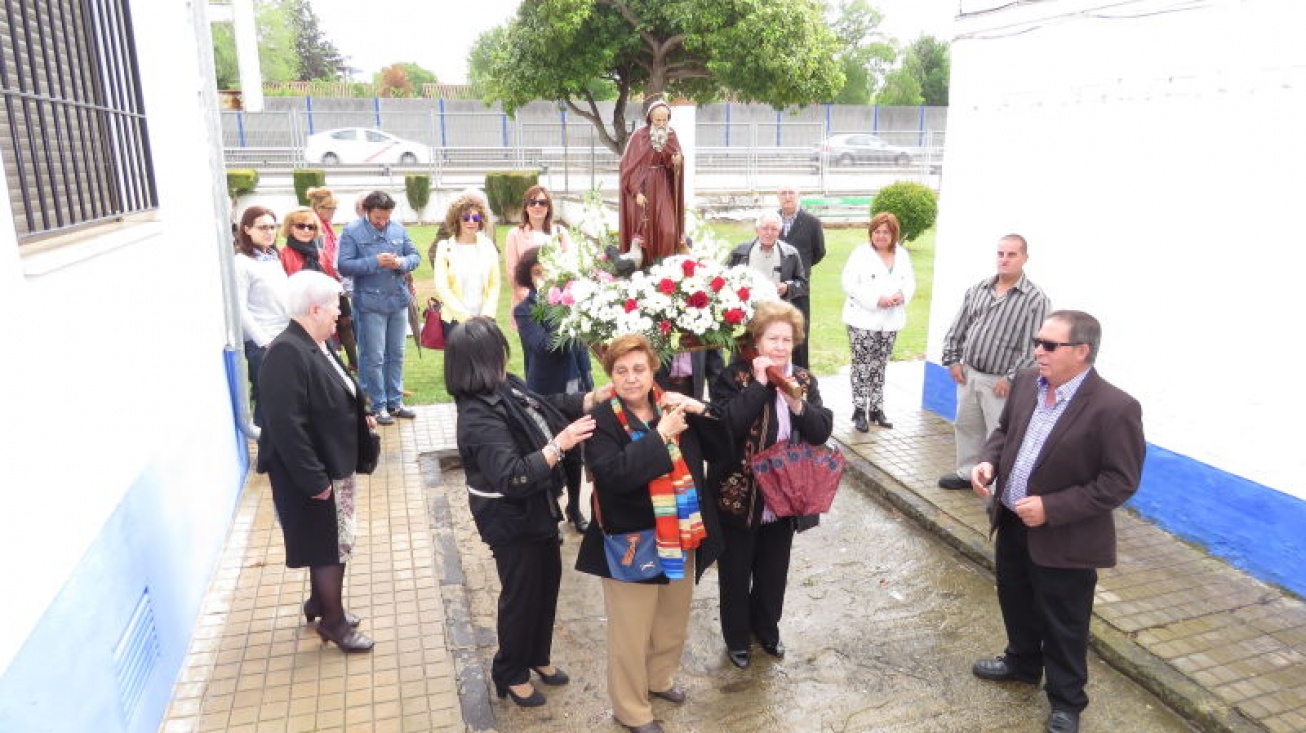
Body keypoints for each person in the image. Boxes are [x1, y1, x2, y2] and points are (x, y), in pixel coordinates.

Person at [968, 310, 1145, 733]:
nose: (1037, 351)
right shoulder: (1028, 382)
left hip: (1067, 538)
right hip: (1010, 520)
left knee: (1065, 621)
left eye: (1049, 345)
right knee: (1015, 598)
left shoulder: (1115, 407)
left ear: (1082, 351)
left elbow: (1120, 482)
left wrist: (1053, 508)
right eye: (1037, 341)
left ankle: (1067, 700)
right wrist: (988, 464)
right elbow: (1004, 432)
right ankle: (1022, 662)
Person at [446, 317, 602, 708]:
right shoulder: (477, 416)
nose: (505, 356)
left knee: (546, 585)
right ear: (482, 360)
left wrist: (590, 399)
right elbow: (512, 476)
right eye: (498, 350)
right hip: (511, 520)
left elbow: (544, 408)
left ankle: (538, 656)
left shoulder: (505, 385)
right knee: (521, 595)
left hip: (537, 509)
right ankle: (510, 672)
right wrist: (560, 445)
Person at [577, 333, 725, 733]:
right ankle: (631, 710)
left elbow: (721, 447)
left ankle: (659, 680)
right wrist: (660, 434)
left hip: (681, 532)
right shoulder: (603, 420)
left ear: (652, 370)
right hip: (632, 542)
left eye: (638, 369)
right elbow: (613, 476)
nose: (630, 378)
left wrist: (699, 407)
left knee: (672, 617)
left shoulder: (672, 404)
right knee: (630, 631)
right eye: (621, 371)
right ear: (610, 376)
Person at [707, 300, 833, 669]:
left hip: (785, 494)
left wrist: (796, 403)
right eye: (772, 339)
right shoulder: (735, 377)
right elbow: (728, 425)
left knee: (773, 569)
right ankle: (736, 637)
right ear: (757, 341)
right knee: (735, 570)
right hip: (739, 492)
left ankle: (768, 629)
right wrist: (762, 385)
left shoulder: (804, 380)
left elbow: (821, 429)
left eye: (787, 340)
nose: (780, 347)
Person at [257, 271, 376, 653]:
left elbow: (331, 393)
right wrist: (314, 481)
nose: (339, 315)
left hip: (328, 464)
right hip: (310, 474)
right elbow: (286, 425)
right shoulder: (286, 353)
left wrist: (360, 415)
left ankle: (319, 602)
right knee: (329, 547)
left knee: (328, 542)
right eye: (334, 308)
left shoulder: (314, 344)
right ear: (313, 309)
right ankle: (334, 622)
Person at [937, 234, 1051, 490]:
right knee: (966, 426)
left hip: (1000, 382)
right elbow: (959, 326)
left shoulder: (1035, 300)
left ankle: (998, 484)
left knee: (998, 434)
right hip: (969, 374)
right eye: (1001, 254)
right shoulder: (979, 289)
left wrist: (1011, 378)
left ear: (1025, 258)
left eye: (1012, 255)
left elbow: (1033, 346)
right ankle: (968, 473)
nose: (1004, 259)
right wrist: (953, 360)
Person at [512, 247, 594, 533]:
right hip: (543, 390)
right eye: (537, 273)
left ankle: (574, 506)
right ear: (529, 276)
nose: (543, 278)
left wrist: (588, 382)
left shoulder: (570, 306)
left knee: (575, 452)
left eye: (548, 272)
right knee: (548, 448)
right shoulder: (524, 311)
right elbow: (544, 346)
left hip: (573, 385)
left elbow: (581, 347)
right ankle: (553, 511)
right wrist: (562, 313)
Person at [337, 191, 421, 426]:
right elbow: (343, 265)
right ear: (366, 211)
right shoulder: (352, 231)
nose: (382, 222)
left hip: (398, 301)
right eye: (377, 218)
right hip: (370, 304)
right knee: (373, 357)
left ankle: (395, 402)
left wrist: (401, 262)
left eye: (386, 217)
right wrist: (375, 262)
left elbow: (415, 255)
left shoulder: (397, 228)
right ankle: (377, 405)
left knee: (397, 354)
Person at [840, 212, 916, 431]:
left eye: (886, 232)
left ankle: (876, 408)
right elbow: (849, 283)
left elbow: (909, 281)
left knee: (880, 366)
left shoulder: (901, 254)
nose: (881, 236)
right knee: (862, 366)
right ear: (871, 233)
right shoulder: (860, 254)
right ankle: (859, 410)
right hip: (863, 320)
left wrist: (902, 295)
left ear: (894, 235)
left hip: (890, 321)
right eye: (877, 232)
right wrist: (875, 300)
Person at [234, 205, 289, 429]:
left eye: (272, 227)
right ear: (247, 229)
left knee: (286, 399)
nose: (269, 232)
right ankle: (266, 456)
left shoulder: (272, 257)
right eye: (262, 227)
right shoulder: (242, 263)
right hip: (263, 343)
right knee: (267, 400)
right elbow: (240, 307)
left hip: (284, 335)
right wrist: (264, 341)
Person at [618, 98, 684, 267]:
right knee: (644, 233)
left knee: (668, 230)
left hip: (662, 185)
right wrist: (635, 192)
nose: (661, 123)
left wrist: (676, 161)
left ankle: (665, 269)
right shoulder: (639, 136)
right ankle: (646, 270)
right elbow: (629, 166)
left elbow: (673, 159)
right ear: (650, 119)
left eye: (664, 119)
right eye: (657, 120)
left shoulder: (671, 134)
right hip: (643, 185)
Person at [433, 194, 501, 335]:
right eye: (466, 217)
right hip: (455, 321)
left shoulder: (488, 246)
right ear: (457, 220)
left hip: (485, 320)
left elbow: (495, 283)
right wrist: (465, 316)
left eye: (475, 218)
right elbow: (442, 287)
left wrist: (486, 314)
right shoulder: (444, 247)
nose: (471, 222)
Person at [307, 186, 358, 373]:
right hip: (322, 283)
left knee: (345, 321)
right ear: (319, 208)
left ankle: (354, 363)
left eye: (334, 209)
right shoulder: (313, 226)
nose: (333, 213)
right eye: (330, 209)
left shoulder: (327, 226)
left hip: (335, 280)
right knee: (326, 325)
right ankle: (330, 365)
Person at [776, 184, 825, 368]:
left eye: (791, 193)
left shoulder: (812, 223)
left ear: (798, 196)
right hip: (774, 289)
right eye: (783, 192)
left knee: (799, 337)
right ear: (778, 196)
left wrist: (801, 269)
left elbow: (819, 252)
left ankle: (802, 383)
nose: (787, 197)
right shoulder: (771, 221)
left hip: (799, 290)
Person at [505, 184, 571, 311]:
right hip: (527, 304)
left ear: (548, 207)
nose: (537, 206)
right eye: (532, 202)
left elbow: (569, 267)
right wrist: (529, 299)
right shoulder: (514, 234)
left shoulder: (560, 232)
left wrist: (558, 298)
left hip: (557, 305)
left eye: (542, 203)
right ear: (526, 207)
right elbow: (512, 272)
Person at [727, 211, 808, 305]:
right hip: (747, 309)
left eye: (774, 229)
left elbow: (802, 284)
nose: (769, 233)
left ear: (779, 231)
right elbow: (727, 278)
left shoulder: (791, 253)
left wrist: (787, 287)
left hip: (778, 310)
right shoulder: (740, 251)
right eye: (765, 228)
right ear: (757, 230)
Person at [279, 207, 338, 279]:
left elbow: (333, 281)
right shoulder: (282, 255)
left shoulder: (322, 254)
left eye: (311, 227)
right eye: (300, 226)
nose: (306, 230)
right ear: (289, 228)